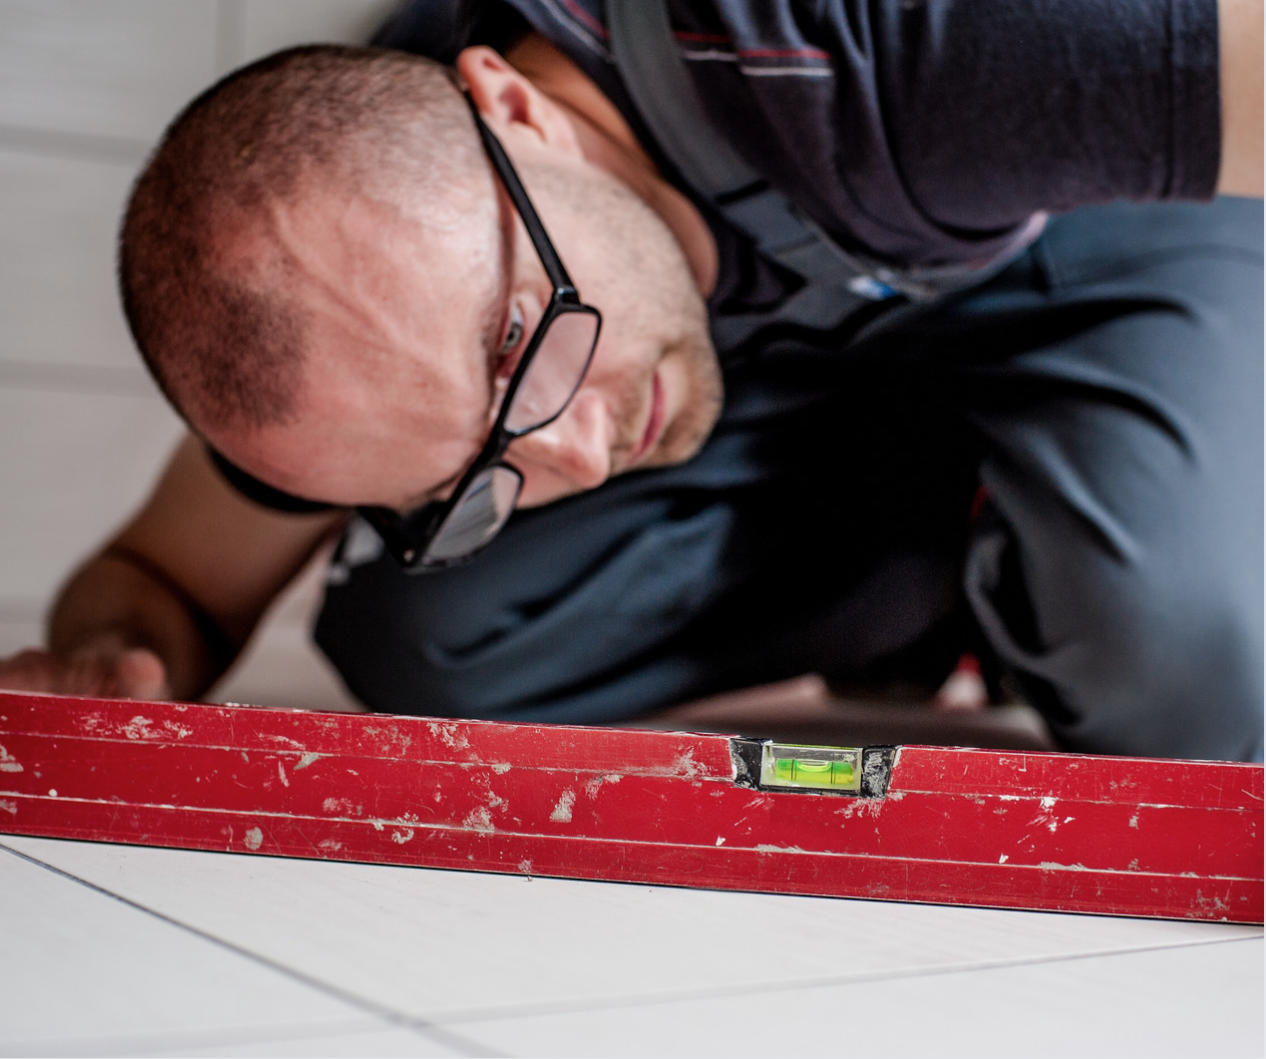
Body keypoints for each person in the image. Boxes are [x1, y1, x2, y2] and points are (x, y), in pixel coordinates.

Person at [0, 0, 1261, 761]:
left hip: (1106, 242)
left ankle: (1089, 541)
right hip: (837, 379)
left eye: (516, 345)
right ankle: (955, 577)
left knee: (1192, 668)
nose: (584, 456)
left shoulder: (886, 48)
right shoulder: (348, 329)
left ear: (513, 105)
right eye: (482, 474)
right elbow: (163, 577)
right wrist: (114, 659)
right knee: (433, 641)